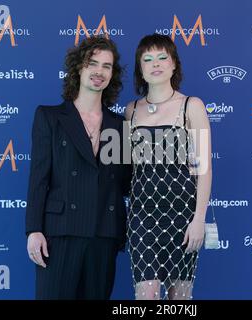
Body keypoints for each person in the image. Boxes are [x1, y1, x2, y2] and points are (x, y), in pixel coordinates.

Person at [25, 36, 130, 300]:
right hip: (59, 234)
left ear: (112, 74)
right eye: (92, 63)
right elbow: (39, 178)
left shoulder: (120, 125)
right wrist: (34, 229)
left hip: (103, 234)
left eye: (107, 66)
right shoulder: (49, 117)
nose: (99, 71)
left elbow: (126, 182)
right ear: (78, 69)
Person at [124, 34, 212, 300]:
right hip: (142, 214)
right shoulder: (131, 110)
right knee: (146, 295)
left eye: (163, 57)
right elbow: (128, 165)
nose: (156, 64)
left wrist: (199, 219)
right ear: (141, 68)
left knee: (179, 298)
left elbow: (204, 169)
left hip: (182, 213)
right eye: (147, 59)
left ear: (174, 65)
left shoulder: (191, 106)